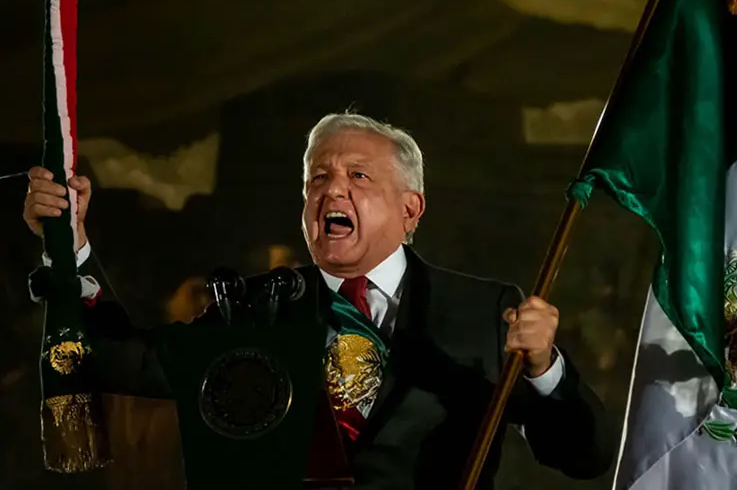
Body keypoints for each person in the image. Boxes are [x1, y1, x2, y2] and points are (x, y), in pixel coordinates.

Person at [23, 113, 613, 488]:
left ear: (411, 209)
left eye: (358, 176)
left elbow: (584, 457)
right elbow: (119, 356)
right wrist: (68, 247)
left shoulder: (485, 311)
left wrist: (544, 369)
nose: (332, 188)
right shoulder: (255, 308)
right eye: (317, 177)